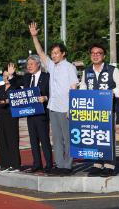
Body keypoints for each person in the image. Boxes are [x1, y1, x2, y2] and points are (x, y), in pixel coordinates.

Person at [28, 22, 79, 175]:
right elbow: (41, 53)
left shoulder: (70, 67)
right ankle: (59, 164)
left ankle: (67, 166)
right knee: (56, 138)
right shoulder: (51, 66)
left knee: (67, 138)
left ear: (63, 53)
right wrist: (34, 36)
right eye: (53, 53)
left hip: (65, 108)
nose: (54, 55)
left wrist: (71, 108)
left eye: (57, 52)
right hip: (53, 106)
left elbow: (73, 88)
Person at [79, 44, 119, 177]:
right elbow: (83, 86)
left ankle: (109, 165)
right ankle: (98, 164)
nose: (95, 55)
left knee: (108, 137)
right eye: (93, 53)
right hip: (92, 111)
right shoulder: (86, 71)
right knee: (95, 136)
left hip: (108, 110)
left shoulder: (112, 70)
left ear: (103, 55)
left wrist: (113, 92)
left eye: (98, 53)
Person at [8, 55, 53, 173]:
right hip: (30, 113)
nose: (29, 67)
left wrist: (46, 97)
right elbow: (16, 83)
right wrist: (12, 75)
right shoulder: (27, 77)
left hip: (42, 113)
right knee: (33, 140)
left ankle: (49, 164)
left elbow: (54, 92)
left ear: (38, 64)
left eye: (31, 64)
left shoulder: (47, 77)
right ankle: (37, 163)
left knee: (44, 140)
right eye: (28, 65)